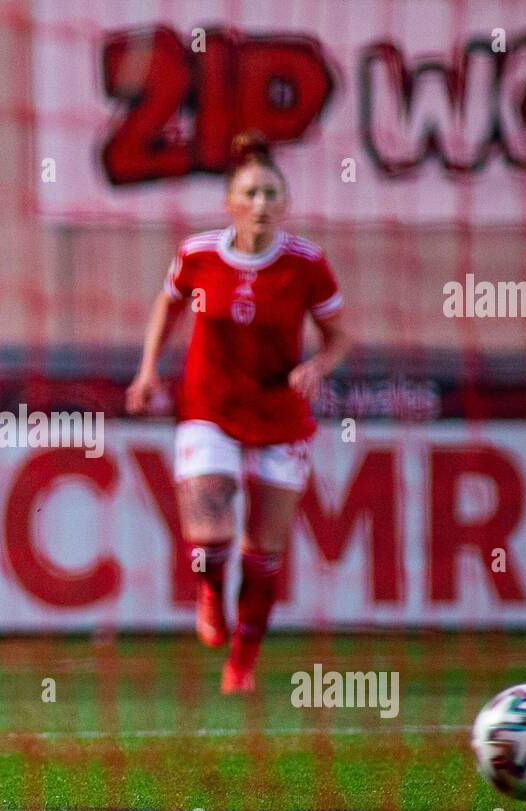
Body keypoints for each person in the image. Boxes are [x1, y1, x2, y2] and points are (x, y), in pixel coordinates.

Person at [125, 130, 352, 694]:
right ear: (229, 203)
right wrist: (148, 369)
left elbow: (340, 337)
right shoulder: (198, 255)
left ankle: (242, 663)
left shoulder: (306, 265)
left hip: (280, 411)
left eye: (272, 194)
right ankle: (208, 592)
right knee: (209, 520)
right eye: (250, 193)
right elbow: (168, 304)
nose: (262, 204)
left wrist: (318, 367)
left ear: (285, 205)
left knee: (264, 551)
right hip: (209, 406)